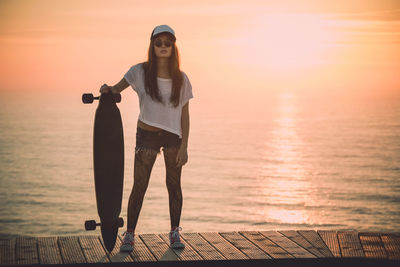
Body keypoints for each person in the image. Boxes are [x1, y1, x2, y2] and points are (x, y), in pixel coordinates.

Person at [99, 25, 193, 252]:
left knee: (174, 185)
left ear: (173, 47)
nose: (163, 46)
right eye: (158, 42)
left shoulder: (181, 78)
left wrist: (184, 147)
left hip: (173, 137)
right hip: (146, 136)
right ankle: (129, 234)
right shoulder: (139, 72)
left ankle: (174, 233)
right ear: (152, 45)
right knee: (139, 186)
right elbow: (116, 89)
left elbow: (185, 114)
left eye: (167, 43)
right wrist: (107, 89)